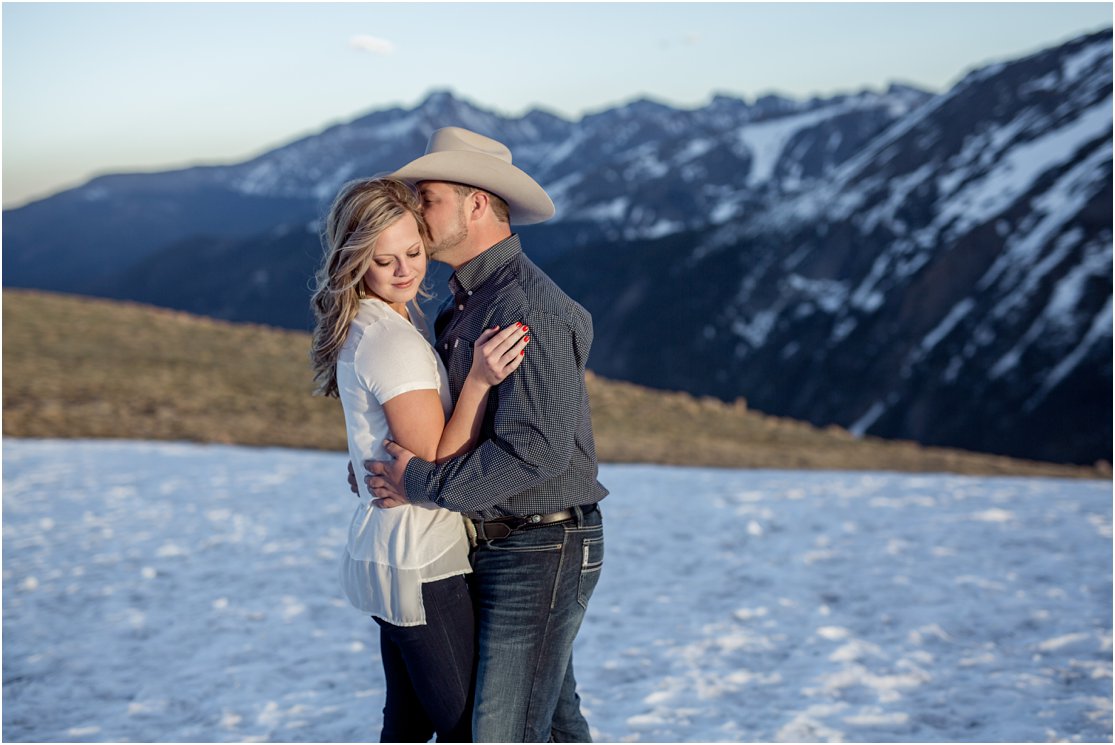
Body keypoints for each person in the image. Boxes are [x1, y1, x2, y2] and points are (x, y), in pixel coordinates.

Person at [363, 127, 608, 742]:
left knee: (501, 732)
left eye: (431, 197)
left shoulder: (521, 304)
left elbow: (535, 452)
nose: (417, 210)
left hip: (540, 546)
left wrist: (415, 480)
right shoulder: (468, 303)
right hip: (503, 543)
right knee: (551, 723)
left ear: (476, 203)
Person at [309, 176, 529, 742]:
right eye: (385, 261)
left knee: (405, 723)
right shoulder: (391, 339)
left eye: (414, 252)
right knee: (465, 729)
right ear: (354, 262)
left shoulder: (373, 321)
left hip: (392, 547)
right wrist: (479, 380)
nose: (407, 271)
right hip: (421, 555)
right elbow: (435, 464)